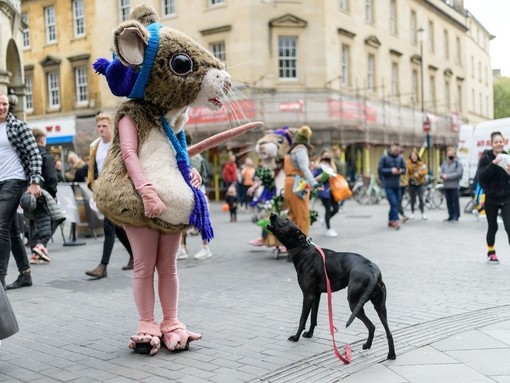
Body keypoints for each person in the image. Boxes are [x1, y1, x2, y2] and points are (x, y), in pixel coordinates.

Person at [0, 91, 41, 290]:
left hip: (14, 180)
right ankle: (25, 274)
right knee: (11, 229)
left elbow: (34, 153)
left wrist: (34, 182)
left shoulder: (18, 126)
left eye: (4, 104)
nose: (2, 107)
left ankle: (0, 277)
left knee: (0, 226)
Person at [85, 113, 133, 278]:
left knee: (109, 225)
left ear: (111, 126)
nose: (101, 129)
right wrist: (94, 189)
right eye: (99, 126)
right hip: (102, 191)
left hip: (117, 191)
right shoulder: (95, 146)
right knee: (117, 228)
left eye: (104, 126)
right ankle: (135, 256)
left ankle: (103, 266)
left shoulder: (118, 145)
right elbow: (93, 170)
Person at [176, 131, 212, 261]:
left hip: (191, 189)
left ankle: (189, 249)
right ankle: (190, 248)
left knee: (184, 220)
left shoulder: (185, 154)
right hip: (198, 189)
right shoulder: (198, 155)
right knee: (199, 219)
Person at [476, 131, 510, 264]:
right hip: (491, 198)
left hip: (507, 197)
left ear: (504, 142)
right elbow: (481, 176)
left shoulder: (507, 156)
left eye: (501, 141)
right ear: (492, 144)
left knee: (509, 226)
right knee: (493, 226)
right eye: (496, 142)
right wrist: (493, 163)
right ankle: (491, 252)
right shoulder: (485, 157)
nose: (499, 144)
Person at [27, 128, 59, 264]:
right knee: (56, 218)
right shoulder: (45, 156)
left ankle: (34, 252)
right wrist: (53, 194)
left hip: (28, 193)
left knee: (33, 222)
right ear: (41, 140)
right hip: (43, 193)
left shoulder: (27, 156)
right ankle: (41, 245)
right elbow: (52, 177)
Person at [283, 125, 318, 239]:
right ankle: (302, 245)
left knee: (293, 215)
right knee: (303, 215)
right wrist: (314, 183)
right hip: (298, 182)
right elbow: (304, 168)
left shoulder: (292, 151)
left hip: (288, 182)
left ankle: (290, 241)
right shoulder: (301, 149)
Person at [378, 143, 406, 229]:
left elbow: (405, 170)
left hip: (397, 184)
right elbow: (380, 170)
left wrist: (401, 170)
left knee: (396, 203)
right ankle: (396, 220)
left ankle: (391, 220)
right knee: (393, 202)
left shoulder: (401, 158)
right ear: (390, 148)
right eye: (394, 146)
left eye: (397, 147)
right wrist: (390, 170)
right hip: (387, 184)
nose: (395, 148)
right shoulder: (384, 157)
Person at [312, 149, 339, 237]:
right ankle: (328, 229)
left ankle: (325, 221)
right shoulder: (318, 167)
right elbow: (313, 178)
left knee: (336, 208)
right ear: (321, 157)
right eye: (325, 156)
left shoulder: (332, 167)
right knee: (327, 209)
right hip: (323, 190)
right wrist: (322, 176)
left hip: (332, 190)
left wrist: (332, 175)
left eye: (328, 156)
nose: (326, 158)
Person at [440, 147, 463, 222]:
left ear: (454, 154)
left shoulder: (457, 163)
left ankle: (456, 216)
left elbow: (458, 173)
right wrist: (442, 175)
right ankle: (450, 215)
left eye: (451, 154)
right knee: (448, 201)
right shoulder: (445, 162)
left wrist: (447, 176)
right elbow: (441, 171)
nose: (450, 155)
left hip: (454, 185)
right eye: (448, 154)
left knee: (455, 201)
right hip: (446, 185)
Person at [406, 150, 429, 220]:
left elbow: (425, 171)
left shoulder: (421, 163)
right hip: (411, 184)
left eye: (415, 156)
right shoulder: (408, 163)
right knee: (412, 198)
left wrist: (419, 174)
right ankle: (412, 212)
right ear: (410, 157)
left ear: (417, 156)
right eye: (412, 156)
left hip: (420, 183)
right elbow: (407, 172)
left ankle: (423, 213)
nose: (414, 157)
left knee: (421, 198)